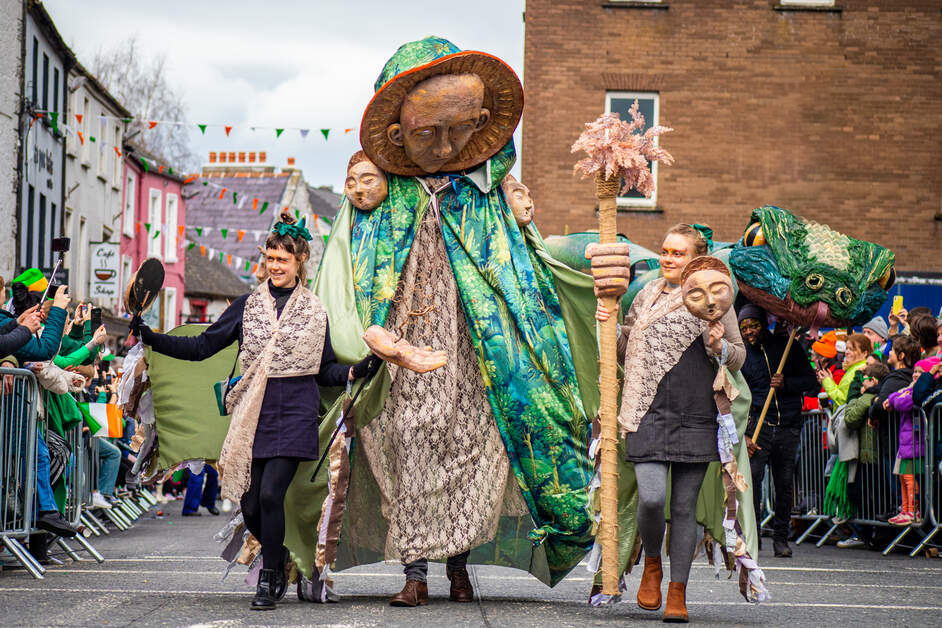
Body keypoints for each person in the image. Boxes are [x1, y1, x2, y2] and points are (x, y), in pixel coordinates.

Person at [132, 212, 380, 611]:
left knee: (270, 496)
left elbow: (325, 368)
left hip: (296, 413)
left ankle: (268, 578)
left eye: (283, 260)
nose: (275, 266)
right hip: (253, 413)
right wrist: (152, 338)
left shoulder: (316, 311)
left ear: (300, 261)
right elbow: (201, 346)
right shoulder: (246, 306)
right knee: (249, 505)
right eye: (270, 259)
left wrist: (357, 369)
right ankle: (278, 555)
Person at [596, 223, 745, 622]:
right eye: (664, 251)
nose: (667, 258)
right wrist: (606, 322)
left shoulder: (716, 297)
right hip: (645, 410)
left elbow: (738, 357)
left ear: (695, 258)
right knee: (651, 496)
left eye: (677, 253)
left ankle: (677, 590)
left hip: (696, 411)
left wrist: (720, 346)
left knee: (683, 508)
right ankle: (651, 564)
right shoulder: (645, 294)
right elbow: (625, 349)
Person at [739, 303, 817, 558]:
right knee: (752, 482)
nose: (749, 332)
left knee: (783, 486)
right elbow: (738, 398)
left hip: (788, 428)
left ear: (764, 325)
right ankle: (754, 536)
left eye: (753, 325)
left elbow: (811, 383)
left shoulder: (787, 347)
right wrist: (745, 434)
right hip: (757, 428)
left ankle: (781, 538)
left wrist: (786, 384)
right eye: (744, 328)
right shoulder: (741, 357)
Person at [869, 334, 920, 521]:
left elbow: (881, 402)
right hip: (899, 440)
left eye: (892, 350)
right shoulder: (901, 377)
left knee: (901, 487)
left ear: (900, 356)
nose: (888, 352)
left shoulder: (897, 377)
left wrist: (873, 410)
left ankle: (905, 519)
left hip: (895, 442)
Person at [885, 358, 936, 525]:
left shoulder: (919, 393)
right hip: (906, 443)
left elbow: (901, 402)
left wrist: (897, 398)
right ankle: (905, 509)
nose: (915, 375)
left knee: (910, 478)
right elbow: (893, 396)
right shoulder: (910, 389)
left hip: (916, 444)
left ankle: (913, 510)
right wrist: (902, 392)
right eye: (915, 371)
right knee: (902, 477)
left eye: (920, 373)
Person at [818, 333, 871, 407]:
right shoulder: (852, 368)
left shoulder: (860, 370)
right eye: (846, 348)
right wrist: (831, 381)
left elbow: (843, 401)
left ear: (865, 353)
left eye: (852, 349)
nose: (847, 352)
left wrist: (827, 381)